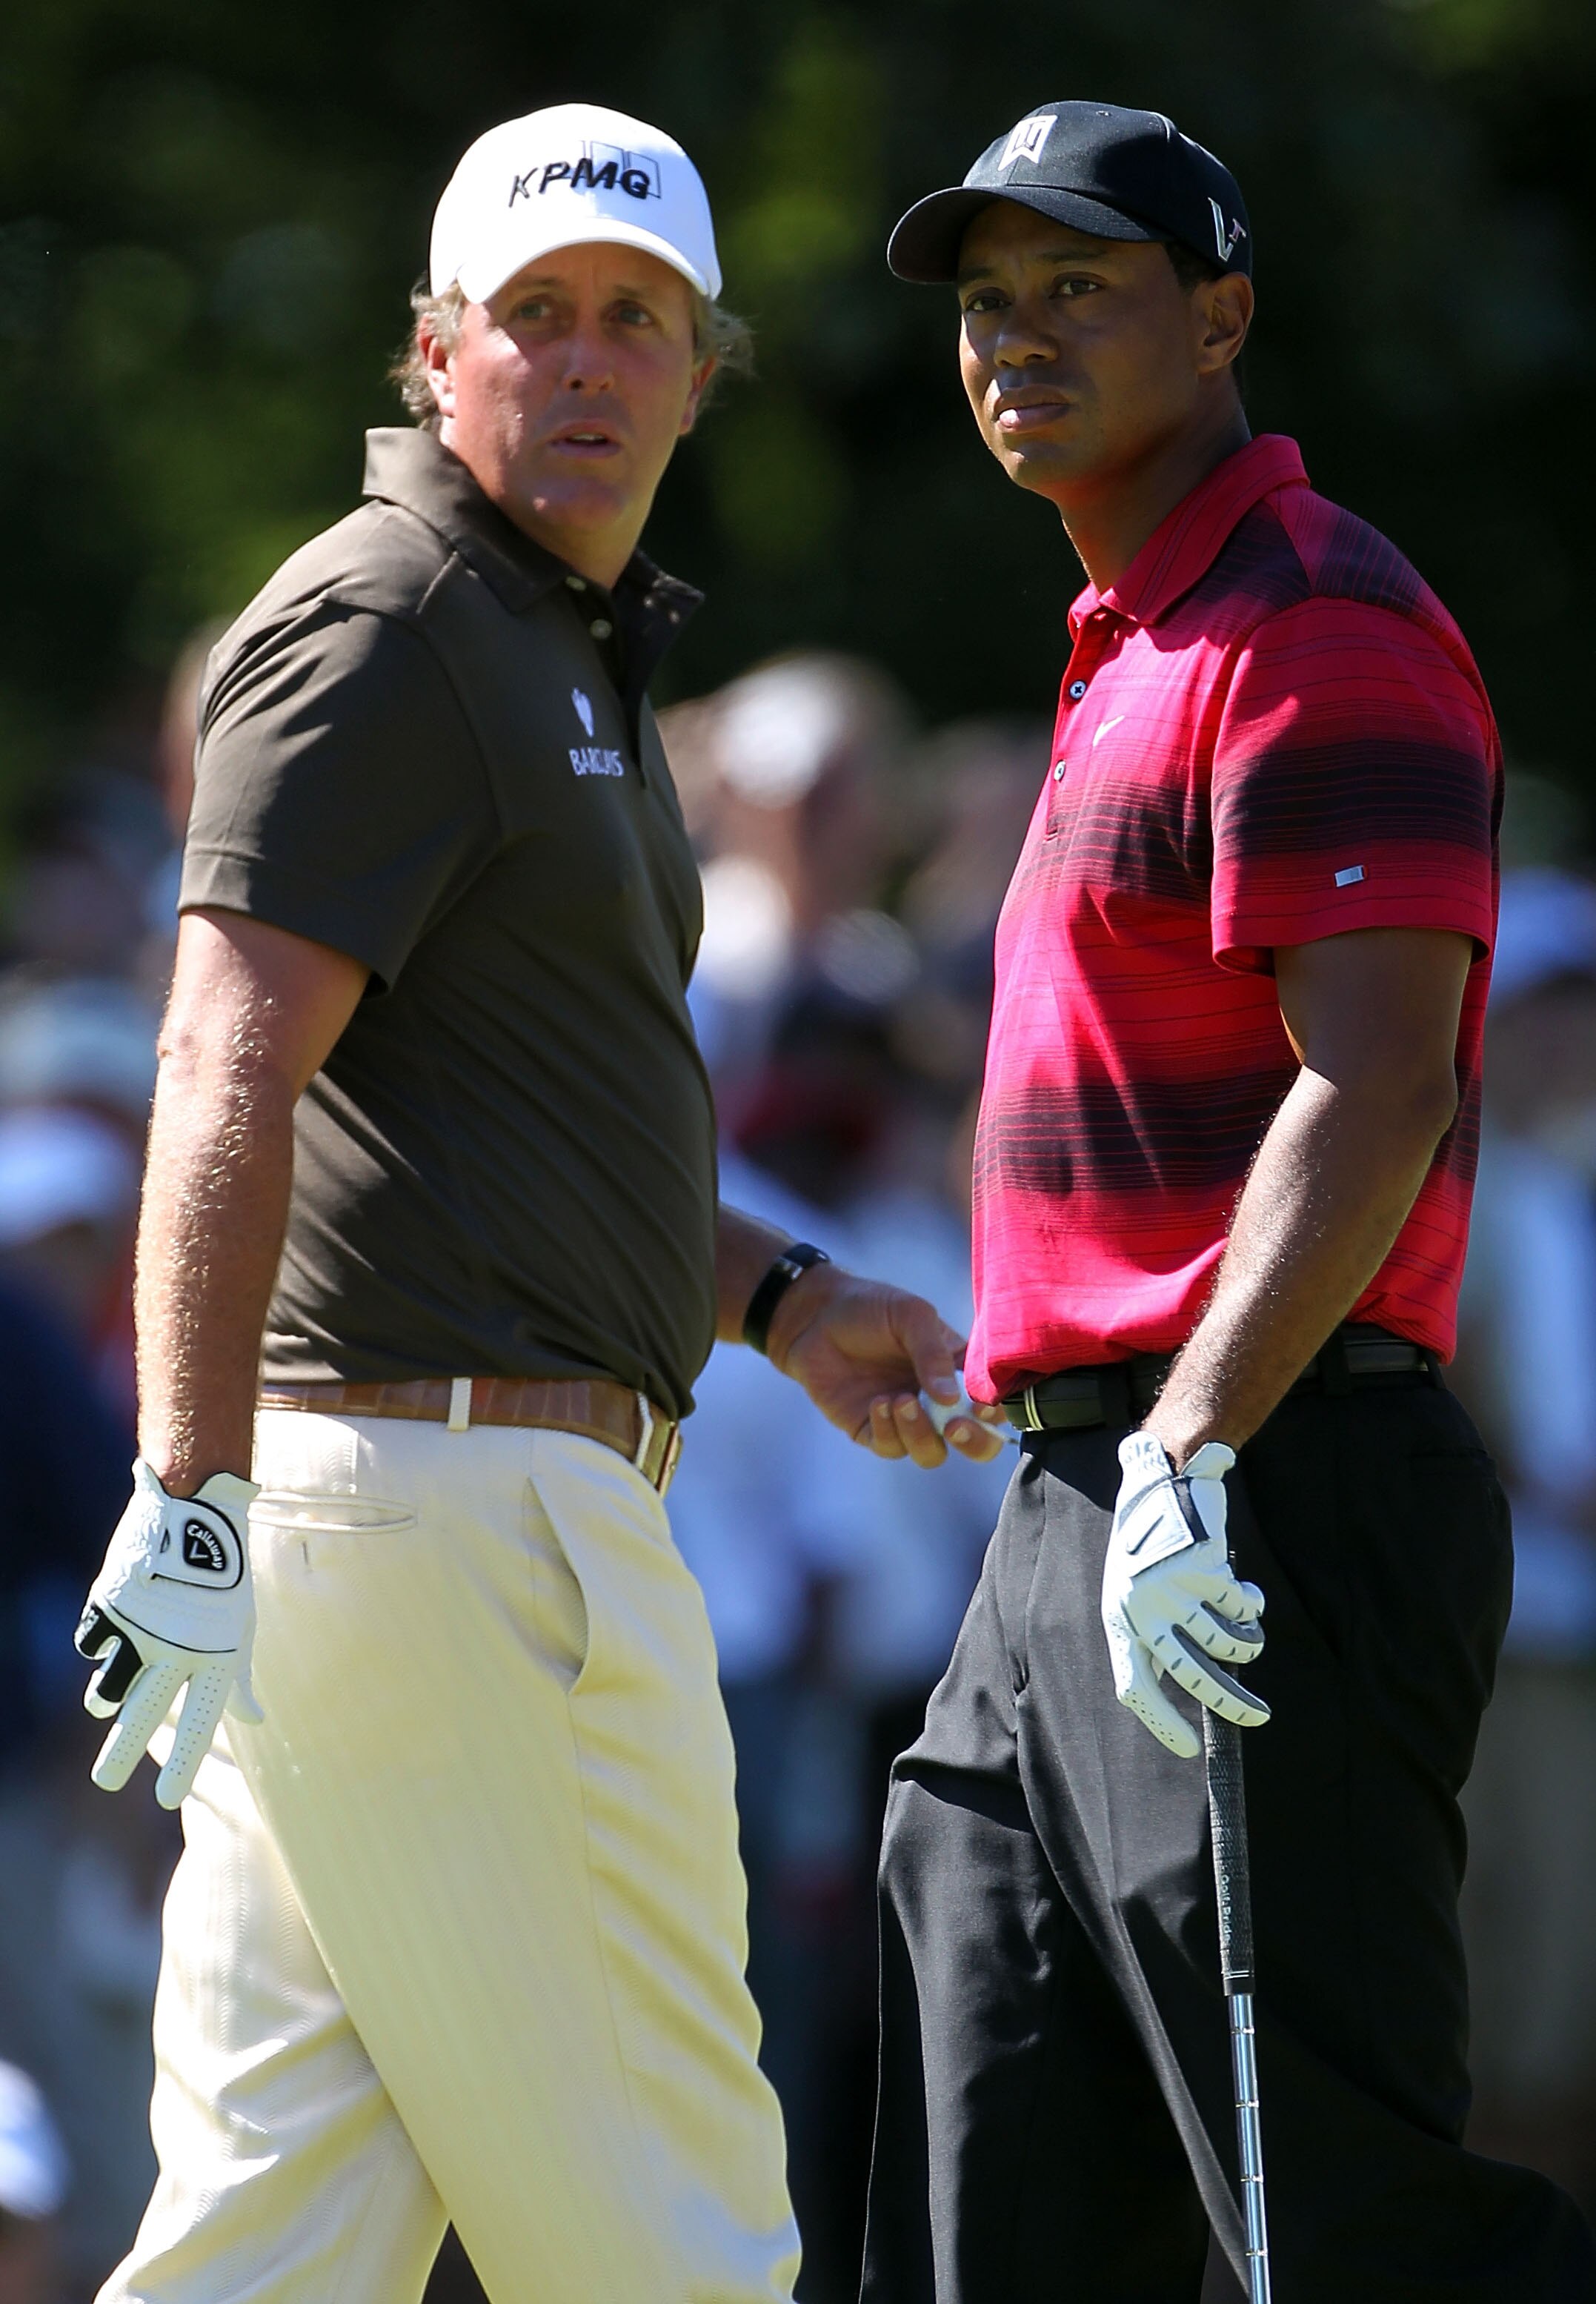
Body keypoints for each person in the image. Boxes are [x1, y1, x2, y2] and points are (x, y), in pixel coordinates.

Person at [68, 102, 1001, 2304]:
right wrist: (186, 1494)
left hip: (436, 1519)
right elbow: (223, 1062)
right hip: (448, 1518)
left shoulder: (540, 645)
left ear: (700, 369)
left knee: (271, 2251)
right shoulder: (391, 616)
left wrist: (772, 1298)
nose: (588, 362)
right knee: (675, 2247)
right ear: (433, 352)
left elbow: (508, 1121)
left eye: (640, 322)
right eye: (538, 316)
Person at [860, 99, 1596, 2303]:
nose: (1016, 341)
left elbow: (1373, 1088)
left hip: (1257, 1488)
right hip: (1072, 1518)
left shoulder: (1316, 621)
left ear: (1222, 317)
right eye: (987, 305)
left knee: (1336, 2232)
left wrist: (1187, 1443)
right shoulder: (1129, 645)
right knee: (1002, 2207)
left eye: (1078, 288)